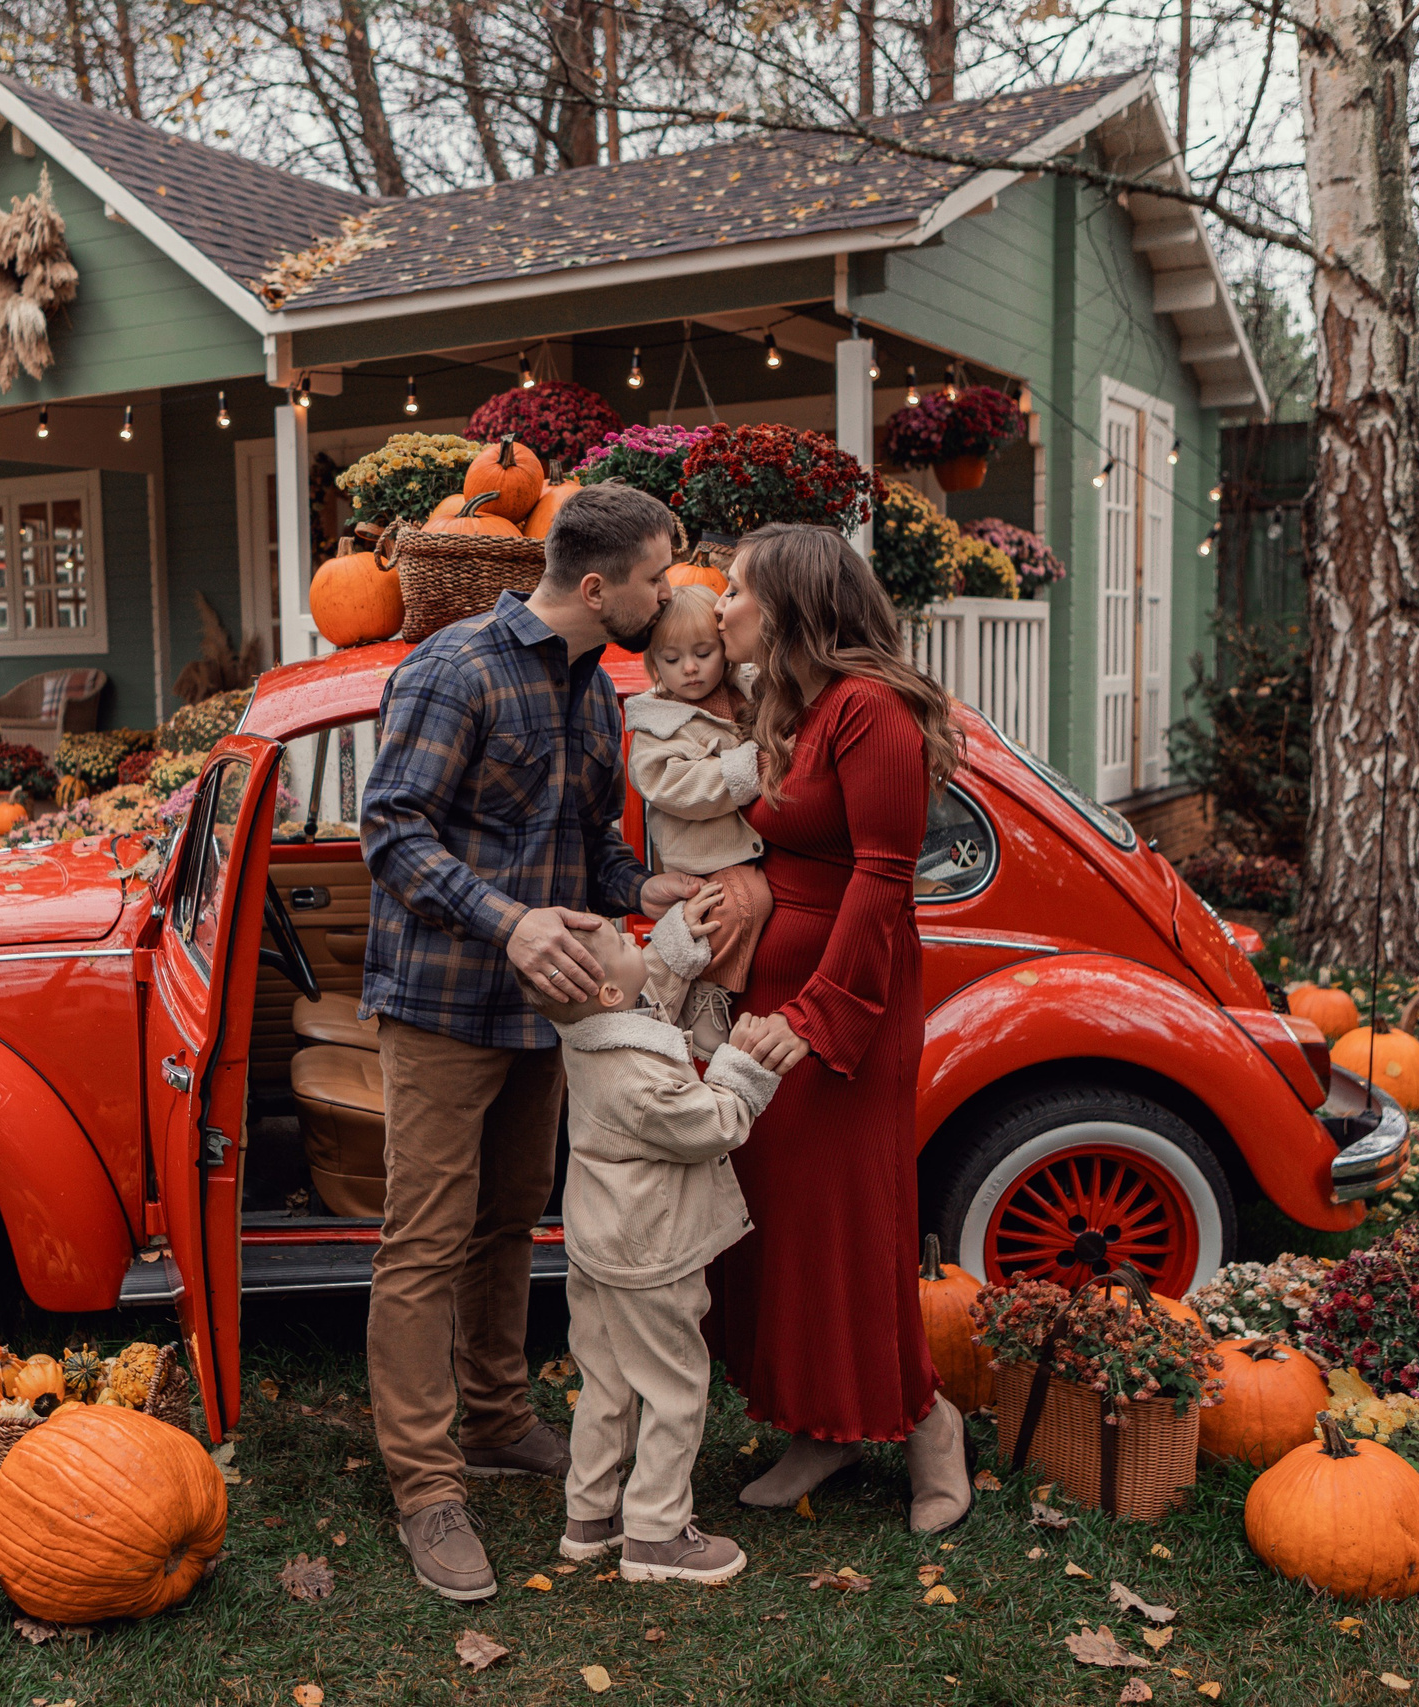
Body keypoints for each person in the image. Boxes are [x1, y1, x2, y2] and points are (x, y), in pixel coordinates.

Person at [359, 481, 702, 1602]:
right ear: (598, 585)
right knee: (425, 1237)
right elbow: (390, 831)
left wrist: (652, 886)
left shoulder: (593, 692)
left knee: (509, 1220)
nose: (672, 591)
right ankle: (424, 1482)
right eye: (660, 574)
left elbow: (589, 843)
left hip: (551, 1015)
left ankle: (500, 1418)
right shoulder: (453, 669)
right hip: (445, 1000)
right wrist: (508, 924)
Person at [708, 521, 975, 1534]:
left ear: (789, 606)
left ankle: (925, 1422)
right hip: (772, 1006)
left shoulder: (872, 711)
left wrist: (815, 1016)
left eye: (734, 588)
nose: (720, 604)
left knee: (849, 1232)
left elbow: (881, 875)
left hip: (840, 1013)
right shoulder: (800, 707)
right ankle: (818, 1424)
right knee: (782, 1228)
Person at [529, 897, 775, 1585]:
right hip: (648, 1253)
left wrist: (671, 950)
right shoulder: (638, 1080)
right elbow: (710, 1121)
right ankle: (658, 1532)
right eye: (627, 938)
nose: (640, 941)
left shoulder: (591, 1029)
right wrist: (743, 1070)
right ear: (608, 988)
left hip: (597, 1242)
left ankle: (592, 1515)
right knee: (673, 1388)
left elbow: (643, 1000)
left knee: (606, 1381)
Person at [624, 584, 775, 1058]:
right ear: (653, 665)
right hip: (701, 858)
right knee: (741, 904)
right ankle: (707, 996)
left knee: (751, 899)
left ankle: (706, 992)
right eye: (671, 659)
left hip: (741, 847)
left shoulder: (747, 694)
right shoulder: (656, 725)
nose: (689, 668)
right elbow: (674, 786)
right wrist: (750, 765)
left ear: (726, 653)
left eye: (703, 653)